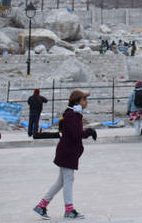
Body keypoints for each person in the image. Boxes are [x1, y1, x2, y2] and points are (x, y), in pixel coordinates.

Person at [32, 90, 97, 220]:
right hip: (68, 152)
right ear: (77, 101)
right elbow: (76, 134)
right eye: (84, 100)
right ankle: (69, 209)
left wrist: (87, 131)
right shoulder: (72, 115)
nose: (86, 102)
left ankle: (41, 205)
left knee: (61, 181)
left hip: (67, 151)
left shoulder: (73, 113)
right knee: (68, 180)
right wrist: (89, 131)